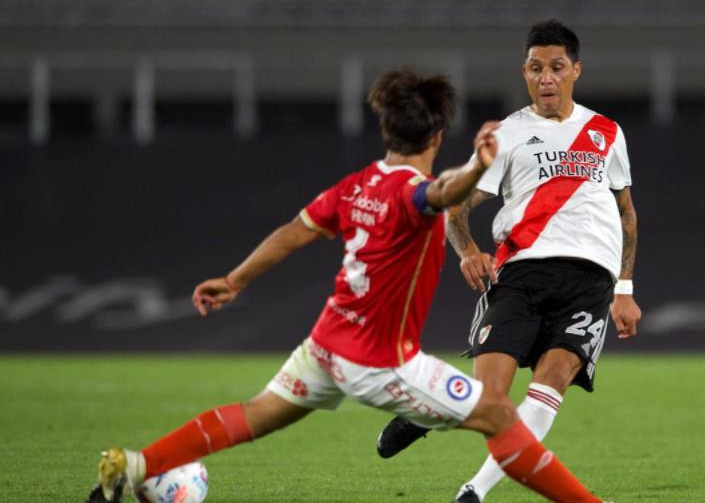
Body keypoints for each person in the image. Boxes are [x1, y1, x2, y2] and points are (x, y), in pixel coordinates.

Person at [86, 68, 608, 503]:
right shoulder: (414, 194)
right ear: (436, 138)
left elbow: (294, 233)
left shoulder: (356, 184)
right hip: (379, 362)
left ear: (387, 133)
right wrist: (480, 166)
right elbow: (444, 190)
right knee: (497, 414)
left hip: (325, 346)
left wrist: (234, 279)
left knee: (254, 415)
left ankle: (135, 465)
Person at [375, 20, 642, 503]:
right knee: (491, 399)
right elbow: (456, 207)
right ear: (524, 73)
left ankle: (474, 492)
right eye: (536, 68)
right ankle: (427, 411)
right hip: (523, 273)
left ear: (575, 70)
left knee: (551, 384)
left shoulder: (607, 132)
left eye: (556, 67)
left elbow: (625, 212)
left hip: (590, 282)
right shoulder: (509, 134)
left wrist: (624, 290)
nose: (546, 78)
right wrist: (469, 251)